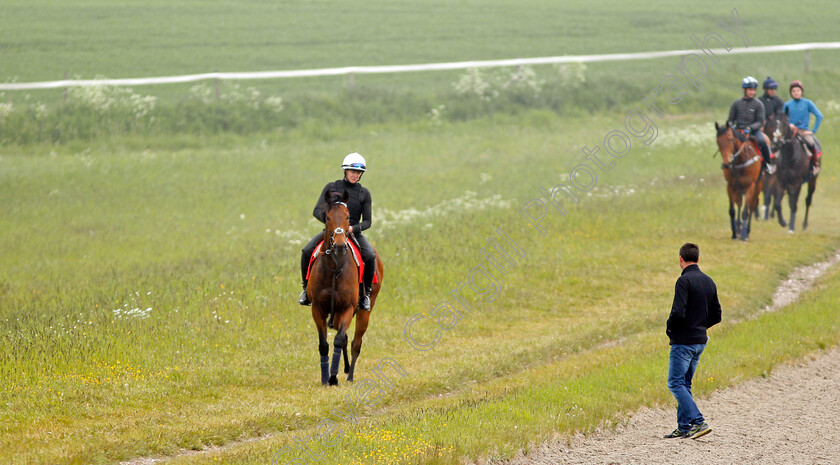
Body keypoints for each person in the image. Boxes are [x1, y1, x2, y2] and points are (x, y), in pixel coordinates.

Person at [299, 152, 376, 310]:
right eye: (352, 171)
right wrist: (333, 226)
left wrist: (352, 228)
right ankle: (306, 291)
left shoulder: (364, 193)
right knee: (307, 251)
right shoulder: (331, 187)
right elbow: (317, 210)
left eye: (358, 173)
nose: (355, 175)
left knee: (369, 255)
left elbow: (367, 221)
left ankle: (365, 295)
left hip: (353, 232)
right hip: (332, 232)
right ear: (345, 171)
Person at [663, 243, 722, 440]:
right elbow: (717, 315)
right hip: (700, 341)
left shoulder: (684, 281)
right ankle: (684, 427)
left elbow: (678, 313)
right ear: (698, 258)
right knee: (685, 384)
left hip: (684, 342)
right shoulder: (709, 281)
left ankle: (698, 421)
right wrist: (701, 327)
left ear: (681, 259)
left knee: (675, 383)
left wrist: (670, 327)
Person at [727, 76, 776, 174]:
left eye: (753, 90)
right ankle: (728, 163)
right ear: (744, 90)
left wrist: (750, 127)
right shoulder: (736, 104)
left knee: (762, 141)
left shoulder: (759, 104)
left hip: (754, 131)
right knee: (728, 143)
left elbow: (760, 121)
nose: (752, 92)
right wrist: (731, 126)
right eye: (750, 90)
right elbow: (730, 120)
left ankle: (767, 163)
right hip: (738, 131)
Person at [783, 80, 824, 175]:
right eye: (793, 91)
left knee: (811, 143)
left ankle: (815, 164)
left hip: (804, 131)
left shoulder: (807, 103)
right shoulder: (787, 105)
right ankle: (775, 166)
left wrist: (812, 131)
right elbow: (783, 119)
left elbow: (819, 116)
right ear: (791, 93)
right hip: (790, 132)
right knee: (780, 145)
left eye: (798, 90)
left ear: (801, 91)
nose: (796, 93)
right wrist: (789, 125)